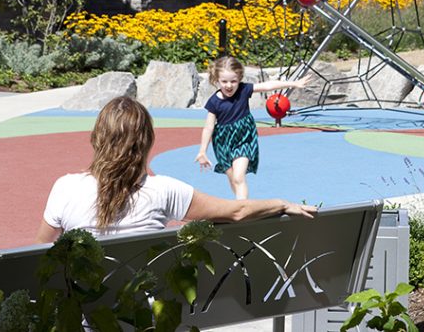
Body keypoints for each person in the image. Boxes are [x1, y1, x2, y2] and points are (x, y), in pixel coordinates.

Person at [35, 96, 315, 243]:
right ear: (148, 142)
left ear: (96, 138)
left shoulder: (65, 188)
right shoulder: (165, 191)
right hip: (147, 320)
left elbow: (38, 253)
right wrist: (281, 204)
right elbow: (237, 211)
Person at [195, 55, 312, 199]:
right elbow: (208, 127)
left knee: (239, 177)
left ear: (239, 78)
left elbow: (267, 85)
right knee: (232, 178)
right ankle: (240, 200)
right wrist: (202, 151)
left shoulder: (244, 90)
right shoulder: (214, 102)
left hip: (244, 137)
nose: (229, 85)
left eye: (233, 81)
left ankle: (242, 208)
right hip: (223, 142)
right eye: (224, 81)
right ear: (216, 80)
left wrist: (293, 84)